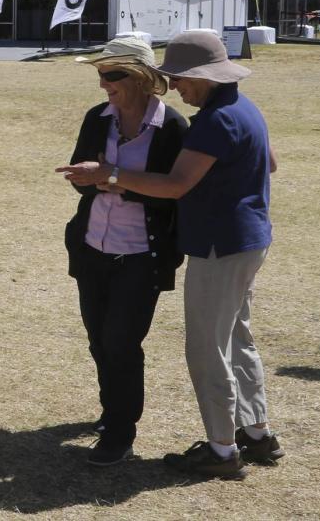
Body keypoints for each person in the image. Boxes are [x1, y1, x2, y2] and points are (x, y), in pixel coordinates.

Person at [57, 30, 279, 480]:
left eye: (181, 78)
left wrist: (113, 175)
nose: (176, 85)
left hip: (218, 246)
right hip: (240, 239)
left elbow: (175, 186)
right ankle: (257, 434)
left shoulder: (208, 123)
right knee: (237, 338)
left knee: (206, 348)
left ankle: (221, 451)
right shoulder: (241, 108)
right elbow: (268, 162)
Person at [62, 36, 187, 467]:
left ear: (140, 78)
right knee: (99, 340)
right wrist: (95, 177)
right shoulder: (97, 118)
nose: (103, 84)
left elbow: (173, 193)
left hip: (141, 254)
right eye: (100, 74)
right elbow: (84, 169)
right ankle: (110, 411)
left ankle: (120, 431)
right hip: (93, 246)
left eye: (112, 74)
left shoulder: (172, 127)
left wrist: (112, 178)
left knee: (122, 343)